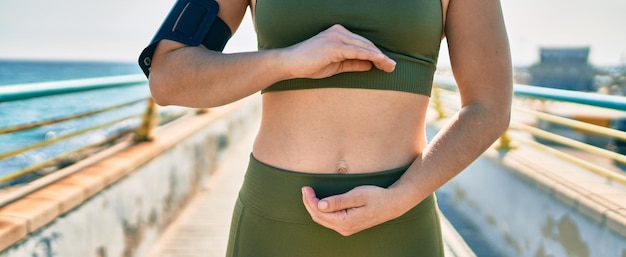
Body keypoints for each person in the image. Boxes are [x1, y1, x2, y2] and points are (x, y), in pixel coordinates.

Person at [140, 0, 512, 255]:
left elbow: (489, 106)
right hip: (274, 222)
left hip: (401, 221)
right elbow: (167, 77)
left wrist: (401, 197)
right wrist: (287, 61)